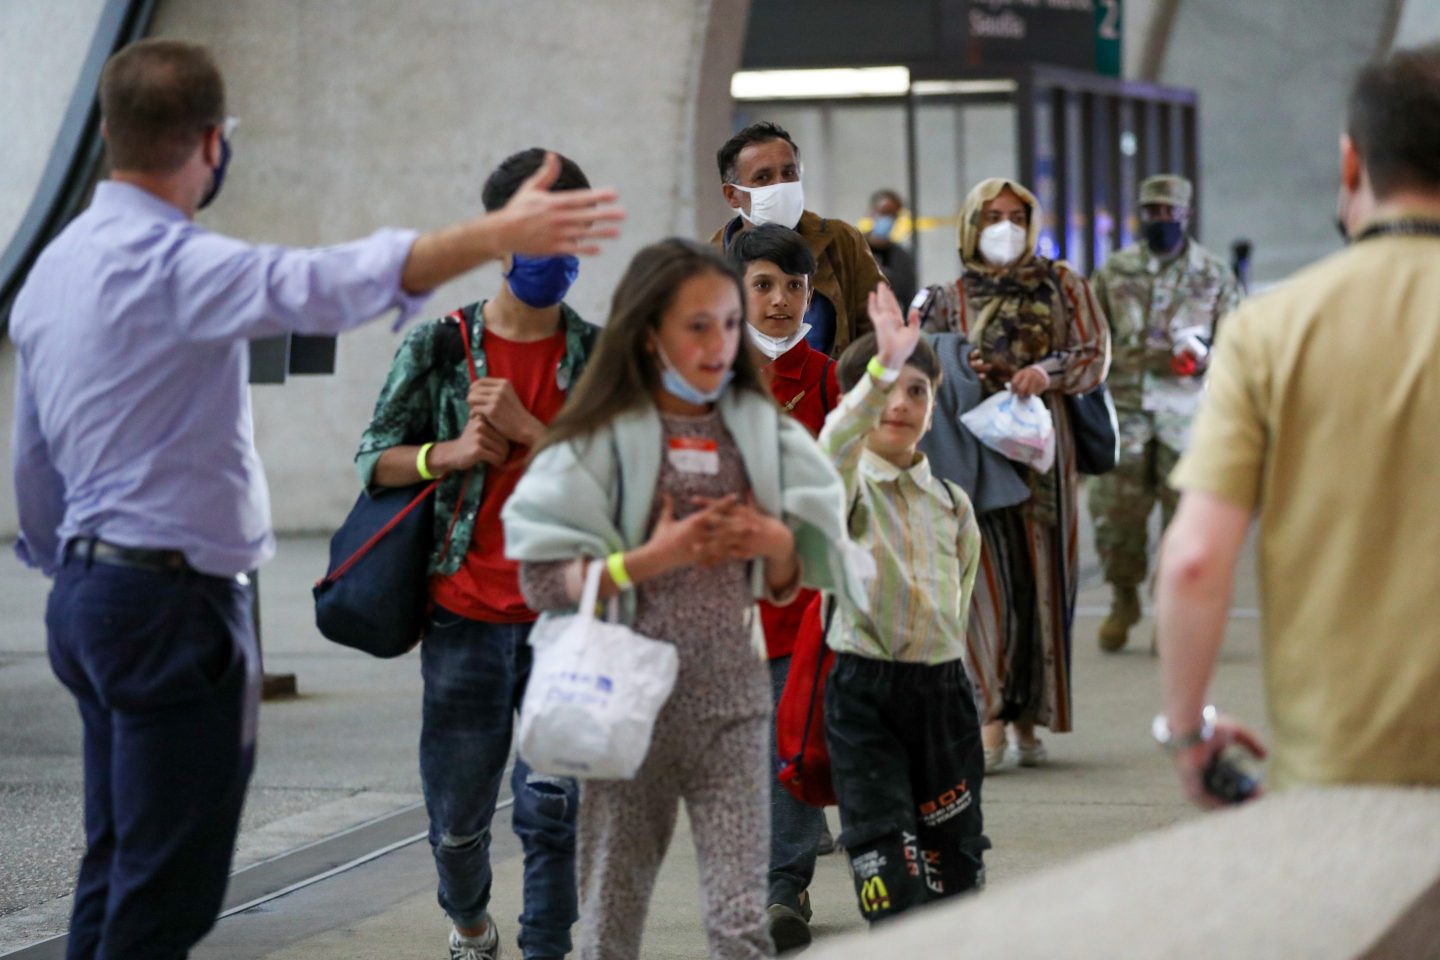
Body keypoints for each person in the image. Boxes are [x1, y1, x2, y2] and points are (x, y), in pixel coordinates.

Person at [8, 39, 621, 960]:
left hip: (87, 599)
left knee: (117, 856)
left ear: (105, 133)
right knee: (166, 891)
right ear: (214, 144)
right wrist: (491, 234)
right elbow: (330, 283)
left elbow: (32, 468)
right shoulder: (179, 264)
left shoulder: (51, 269)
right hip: (173, 607)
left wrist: (76, 573)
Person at [501, 239, 864, 960]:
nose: (720, 342)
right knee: (612, 917)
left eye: (728, 324)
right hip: (624, 703)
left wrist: (775, 542)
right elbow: (543, 581)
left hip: (732, 702)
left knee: (741, 924)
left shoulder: (758, 433)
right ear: (647, 331)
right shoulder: (597, 441)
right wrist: (646, 560)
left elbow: (805, 570)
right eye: (697, 325)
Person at [1155, 44, 1440, 805]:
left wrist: (1189, 736)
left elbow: (1192, 561)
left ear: (1352, 164)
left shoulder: (1272, 329)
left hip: (1344, 767)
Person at [355, 148, 600, 960]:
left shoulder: (599, 356)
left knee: (552, 808)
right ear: (502, 239)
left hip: (565, 620)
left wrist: (537, 433)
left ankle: (545, 949)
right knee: (458, 823)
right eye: (541, 233)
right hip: (463, 618)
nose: (557, 256)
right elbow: (374, 456)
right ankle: (470, 924)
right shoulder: (441, 346)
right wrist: (449, 454)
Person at [920, 178, 1110, 770]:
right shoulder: (949, 295)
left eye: (1016, 215)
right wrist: (964, 362)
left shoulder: (1064, 285)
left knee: (1044, 581)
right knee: (984, 582)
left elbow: (1093, 351)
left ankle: (1033, 714)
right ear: (971, 226)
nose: (1005, 227)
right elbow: (924, 358)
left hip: (1044, 448)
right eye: (991, 215)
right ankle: (990, 715)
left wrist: (1047, 373)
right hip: (976, 451)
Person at [820, 284, 990, 923]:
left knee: (957, 866)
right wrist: (882, 368)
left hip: (943, 696)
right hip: (865, 695)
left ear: (934, 404)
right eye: (885, 390)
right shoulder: (846, 489)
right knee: (888, 867)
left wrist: (952, 674)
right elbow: (833, 446)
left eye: (916, 389)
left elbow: (960, 600)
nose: (900, 402)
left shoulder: (950, 502)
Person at [725, 223, 839, 952]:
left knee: (788, 739)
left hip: (805, 606)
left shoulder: (831, 381)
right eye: (763, 285)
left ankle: (783, 887)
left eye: (793, 287)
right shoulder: (697, 380)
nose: (779, 301)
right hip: (722, 604)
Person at [1087, 175, 1241, 652]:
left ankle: (1169, 613)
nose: (1160, 219)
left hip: (1187, 417)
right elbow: (1091, 336)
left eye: (1168, 211)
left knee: (1184, 522)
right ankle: (1124, 598)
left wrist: (1206, 356)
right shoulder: (1114, 272)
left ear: (1186, 214)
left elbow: (1238, 342)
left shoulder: (1212, 274)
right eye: (1151, 211)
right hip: (1126, 413)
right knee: (1115, 515)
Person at [709, 121, 886, 356]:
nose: (780, 186)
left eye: (789, 173)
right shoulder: (709, 263)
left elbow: (879, 333)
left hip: (831, 389)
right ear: (732, 195)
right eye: (763, 177)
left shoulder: (841, 242)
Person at [864, 188, 918, 308]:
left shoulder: (903, 259)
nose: (887, 220)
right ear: (872, 213)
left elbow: (909, 298)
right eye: (884, 212)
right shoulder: (852, 250)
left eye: (892, 215)